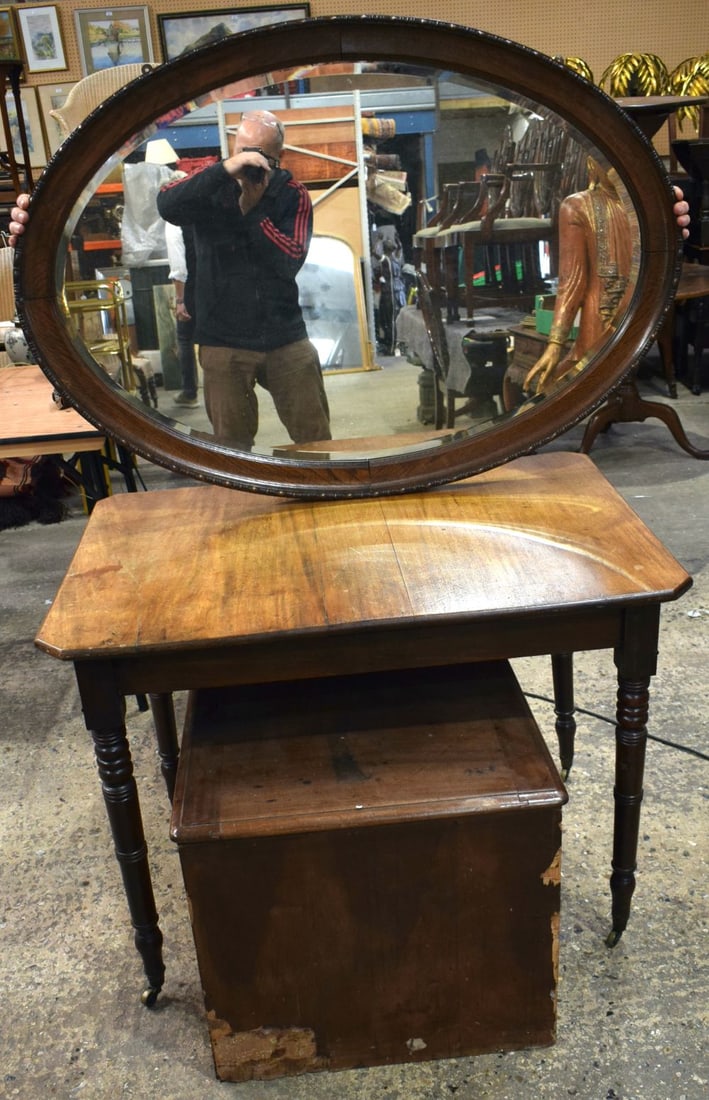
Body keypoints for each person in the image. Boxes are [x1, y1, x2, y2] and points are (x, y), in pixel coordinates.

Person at [156, 109, 331, 450]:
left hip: (285, 337)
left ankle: (323, 493)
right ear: (233, 147)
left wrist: (254, 213)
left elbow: (290, 260)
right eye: (243, 152)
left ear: (277, 157)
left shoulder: (291, 193)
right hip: (222, 339)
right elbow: (167, 204)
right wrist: (222, 172)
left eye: (260, 154)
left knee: (315, 438)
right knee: (231, 446)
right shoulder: (209, 183)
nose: (250, 161)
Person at [164, 220, 199, 407]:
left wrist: (180, 300)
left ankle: (189, 392)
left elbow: (179, 267)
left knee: (185, 338)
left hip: (191, 288)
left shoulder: (174, 222)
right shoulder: (202, 213)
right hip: (213, 284)